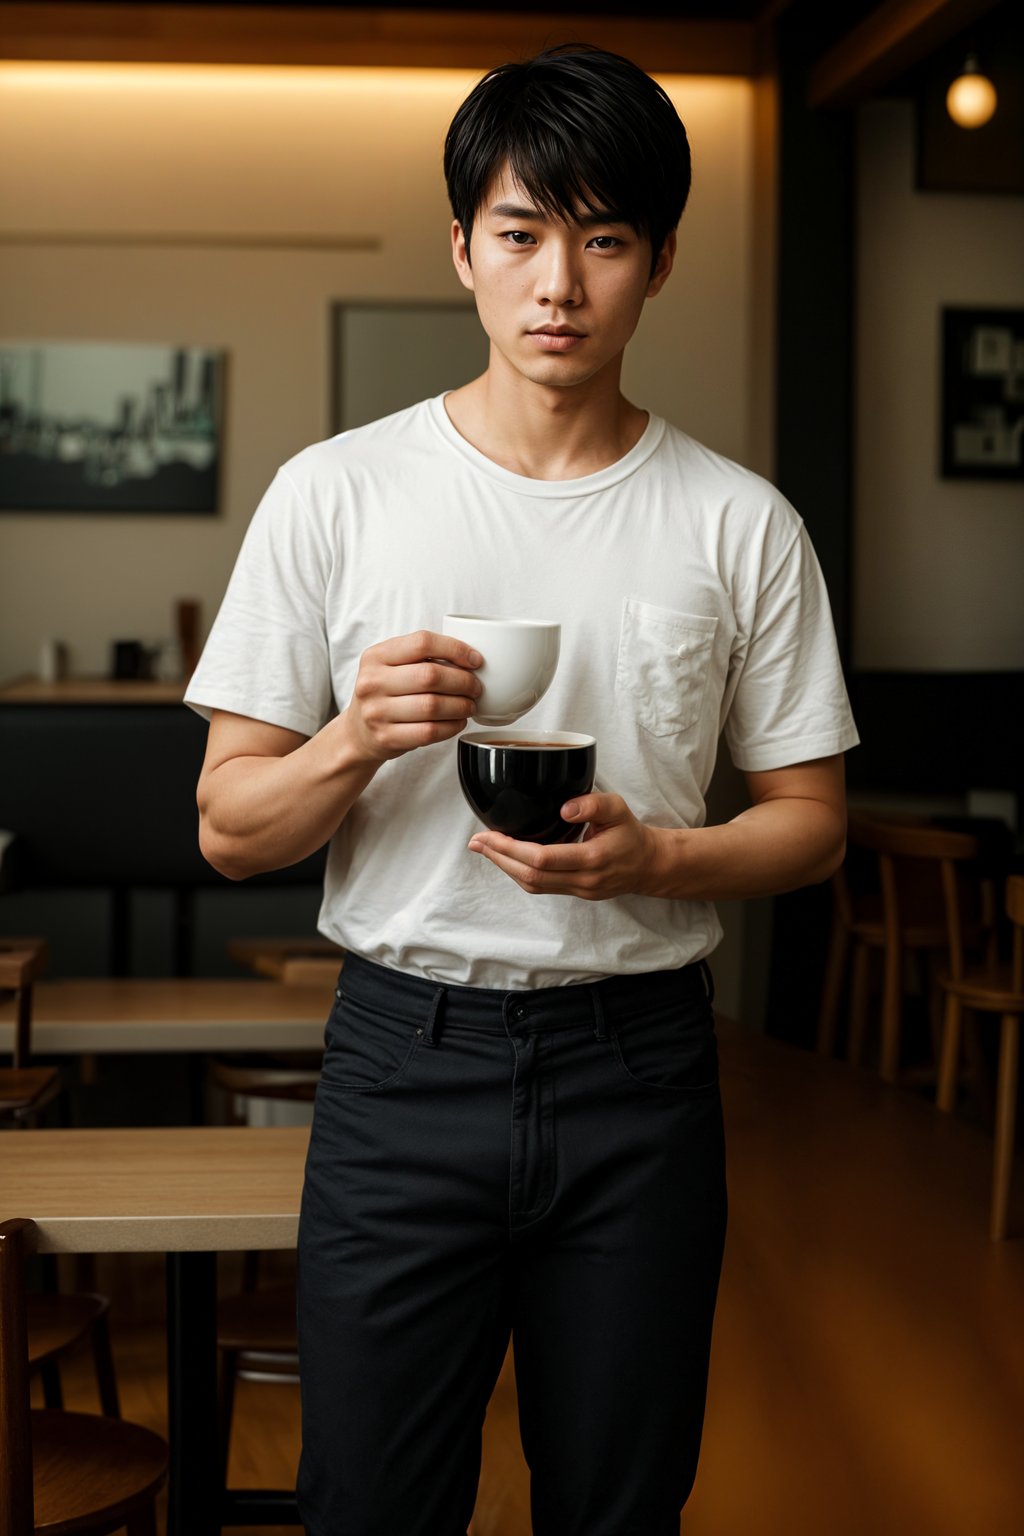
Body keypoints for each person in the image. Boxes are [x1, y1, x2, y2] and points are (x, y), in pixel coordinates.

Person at [186, 42, 858, 1536]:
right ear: (465, 251)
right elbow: (228, 829)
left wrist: (663, 861)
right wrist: (354, 739)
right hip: (400, 1064)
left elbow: (814, 823)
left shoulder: (741, 523)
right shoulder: (337, 492)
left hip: (641, 1072)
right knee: (366, 1507)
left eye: (605, 240)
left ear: (659, 262)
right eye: (522, 234)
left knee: (620, 1512)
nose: (561, 283)